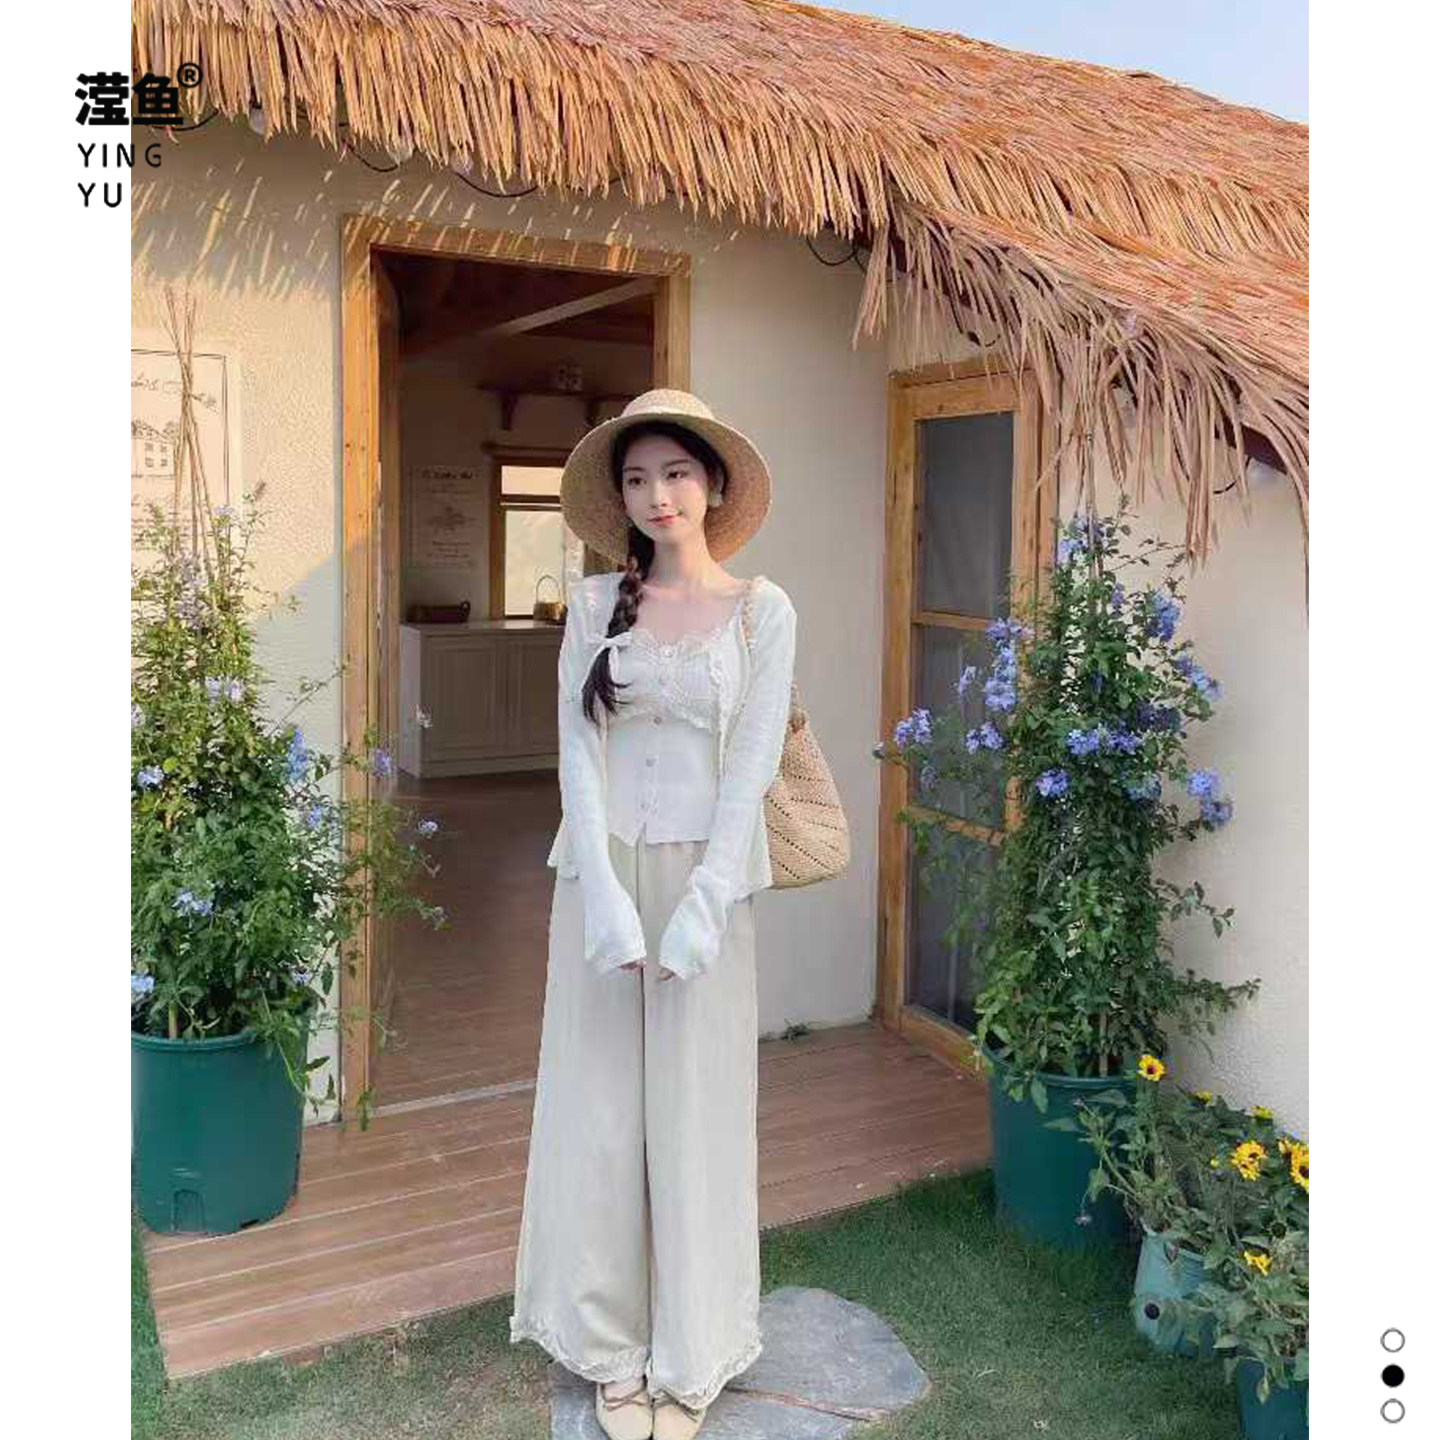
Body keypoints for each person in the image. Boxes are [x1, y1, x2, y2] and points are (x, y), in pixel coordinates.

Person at [508, 389, 797, 1440]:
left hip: (707, 884)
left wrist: (701, 911)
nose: (657, 495)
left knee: (696, 1116)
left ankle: (692, 1356)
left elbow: (751, 765)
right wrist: (608, 904)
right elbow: (576, 756)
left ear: (712, 485)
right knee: (598, 1117)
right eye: (636, 479)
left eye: (675, 473)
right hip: (599, 881)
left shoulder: (763, 611)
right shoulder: (596, 605)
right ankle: (609, 1352)